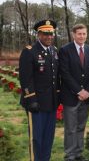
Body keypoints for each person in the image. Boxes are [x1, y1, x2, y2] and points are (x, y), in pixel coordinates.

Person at [19, 19, 59, 161]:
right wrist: (31, 99)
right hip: (36, 104)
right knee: (36, 138)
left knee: (48, 138)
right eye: (45, 34)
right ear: (38, 35)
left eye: (51, 34)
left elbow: (55, 77)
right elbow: (25, 78)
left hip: (51, 103)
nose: (49, 37)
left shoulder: (54, 51)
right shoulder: (29, 52)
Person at [59, 24, 89, 161]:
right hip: (71, 96)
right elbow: (65, 73)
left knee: (81, 127)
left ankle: (79, 154)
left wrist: (87, 91)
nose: (82, 36)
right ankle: (70, 155)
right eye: (79, 34)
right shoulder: (65, 50)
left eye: (84, 34)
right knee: (70, 128)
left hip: (85, 97)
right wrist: (79, 90)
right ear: (74, 34)